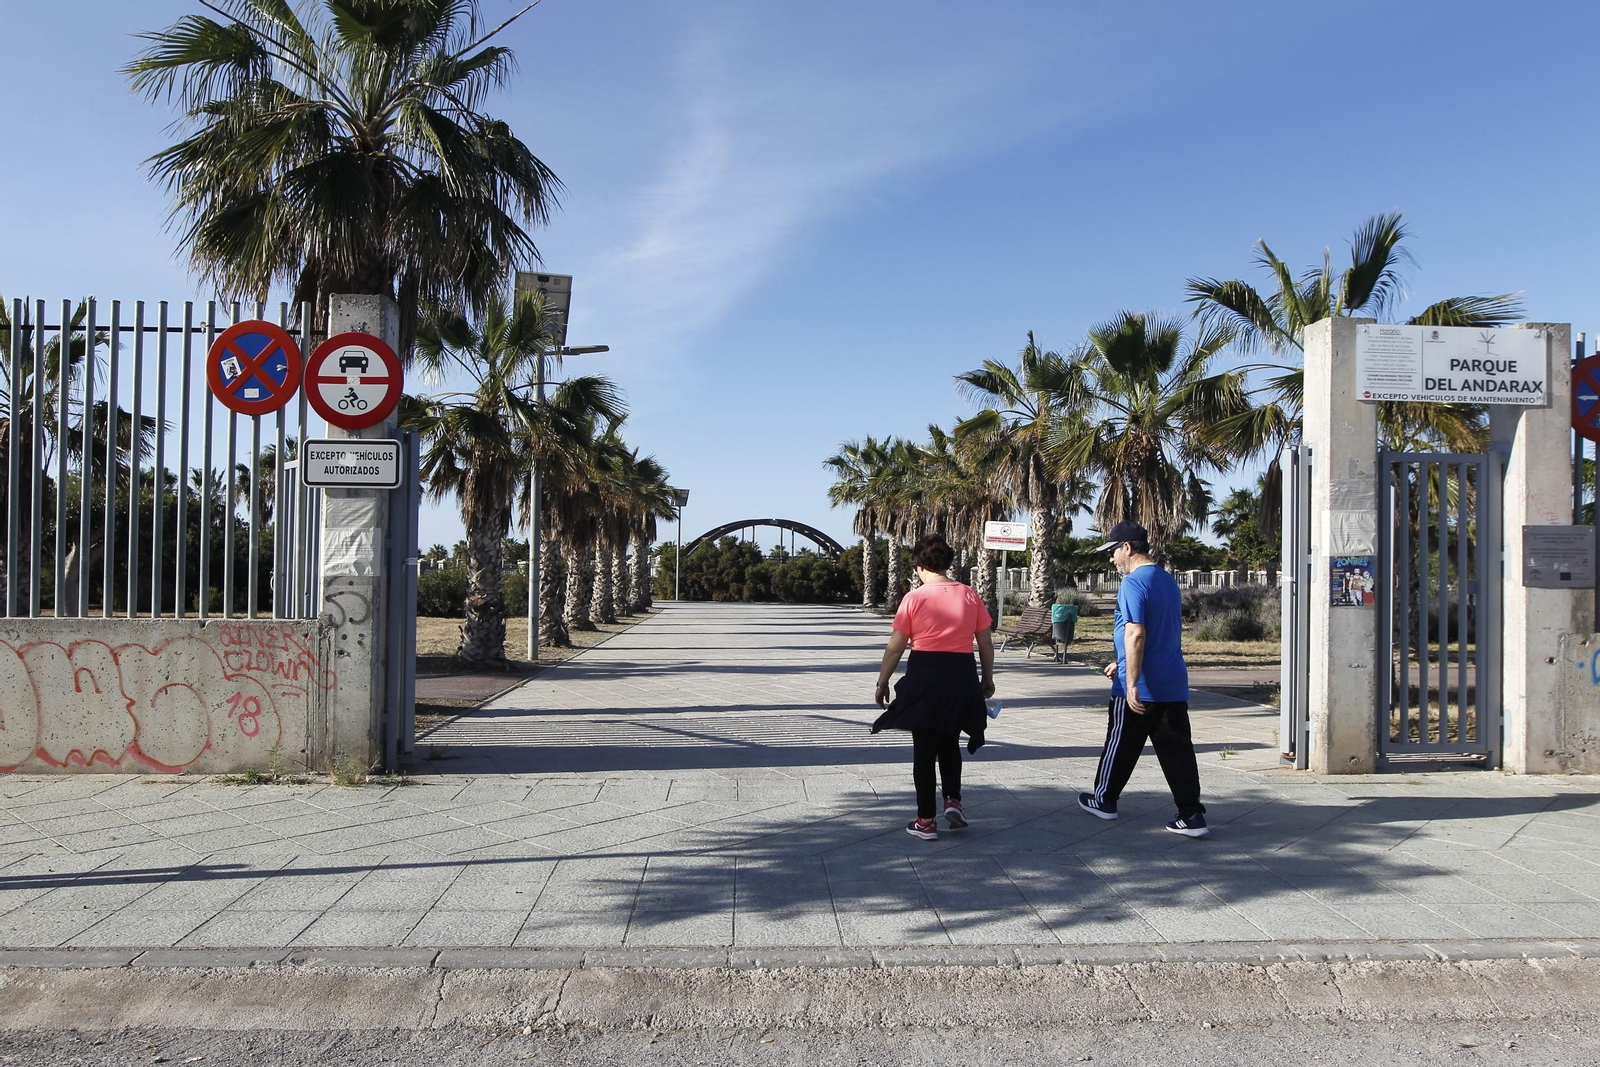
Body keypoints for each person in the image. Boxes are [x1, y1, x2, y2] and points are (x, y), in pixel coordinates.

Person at [1078, 521, 1208, 838]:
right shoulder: (1166, 580)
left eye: (1112, 552)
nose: (1111, 559)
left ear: (1127, 548)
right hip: (1172, 683)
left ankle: (1104, 798)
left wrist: (1131, 680)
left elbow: (1136, 633)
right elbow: (1159, 631)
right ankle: (1191, 815)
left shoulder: (1133, 583)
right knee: (1177, 751)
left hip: (1140, 686)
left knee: (1120, 743)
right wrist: (1120, 661)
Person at [871, 533, 996, 840]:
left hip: (925, 673)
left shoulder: (914, 598)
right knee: (950, 740)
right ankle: (953, 800)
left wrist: (883, 680)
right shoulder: (969, 594)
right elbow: (985, 642)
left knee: (924, 750)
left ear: (919, 566)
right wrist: (987, 677)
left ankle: (926, 820)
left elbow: (896, 646)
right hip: (961, 674)